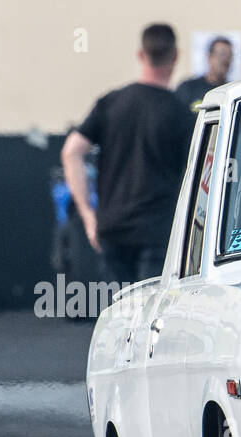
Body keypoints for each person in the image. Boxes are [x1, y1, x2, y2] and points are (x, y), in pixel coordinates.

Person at [61, 23, 196, 285]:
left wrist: (88, 215)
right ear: (175, 56)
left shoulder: (111, 103)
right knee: (151, 315)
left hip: (113, 228)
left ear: (140, 55)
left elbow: (71, 152)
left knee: (120, 315)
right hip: (158, 232)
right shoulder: (181, 113)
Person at [175, 36, 233, 111]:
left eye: (229, 55)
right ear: (209, 57)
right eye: (222, 54)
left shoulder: (230, 91)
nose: (225, 60)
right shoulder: (189, 89)